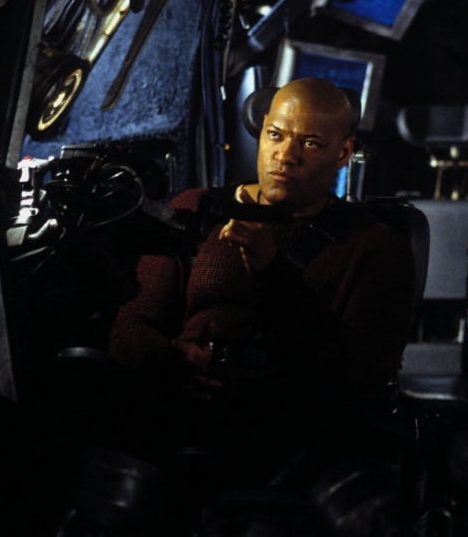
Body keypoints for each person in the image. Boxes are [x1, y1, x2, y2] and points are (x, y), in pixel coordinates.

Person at [108, 77, 416, 467]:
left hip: (288, 443)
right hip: (177, 419)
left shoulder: (376, 247)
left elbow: (360, 379)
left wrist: (273, 272)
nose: (286, 156)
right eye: (275, 135)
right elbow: (131, 323)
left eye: (310, 144)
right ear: (262, 130)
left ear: (342, 153)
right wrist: (168, 363)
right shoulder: (196, 210)